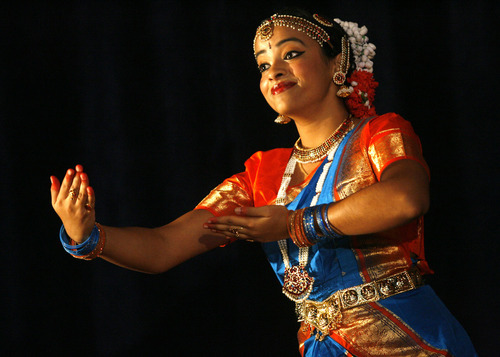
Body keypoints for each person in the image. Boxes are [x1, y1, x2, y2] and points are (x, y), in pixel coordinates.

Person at [50, 8, 477, 357]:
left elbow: (405, 198)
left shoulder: (378, 133)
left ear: (337, 64)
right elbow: (163, 247)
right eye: (262, 64)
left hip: (407, 337)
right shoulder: (262, 175)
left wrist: (293, 225)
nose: (274, 71)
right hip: (322, 346)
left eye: (291, 54)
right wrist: (87, 237)